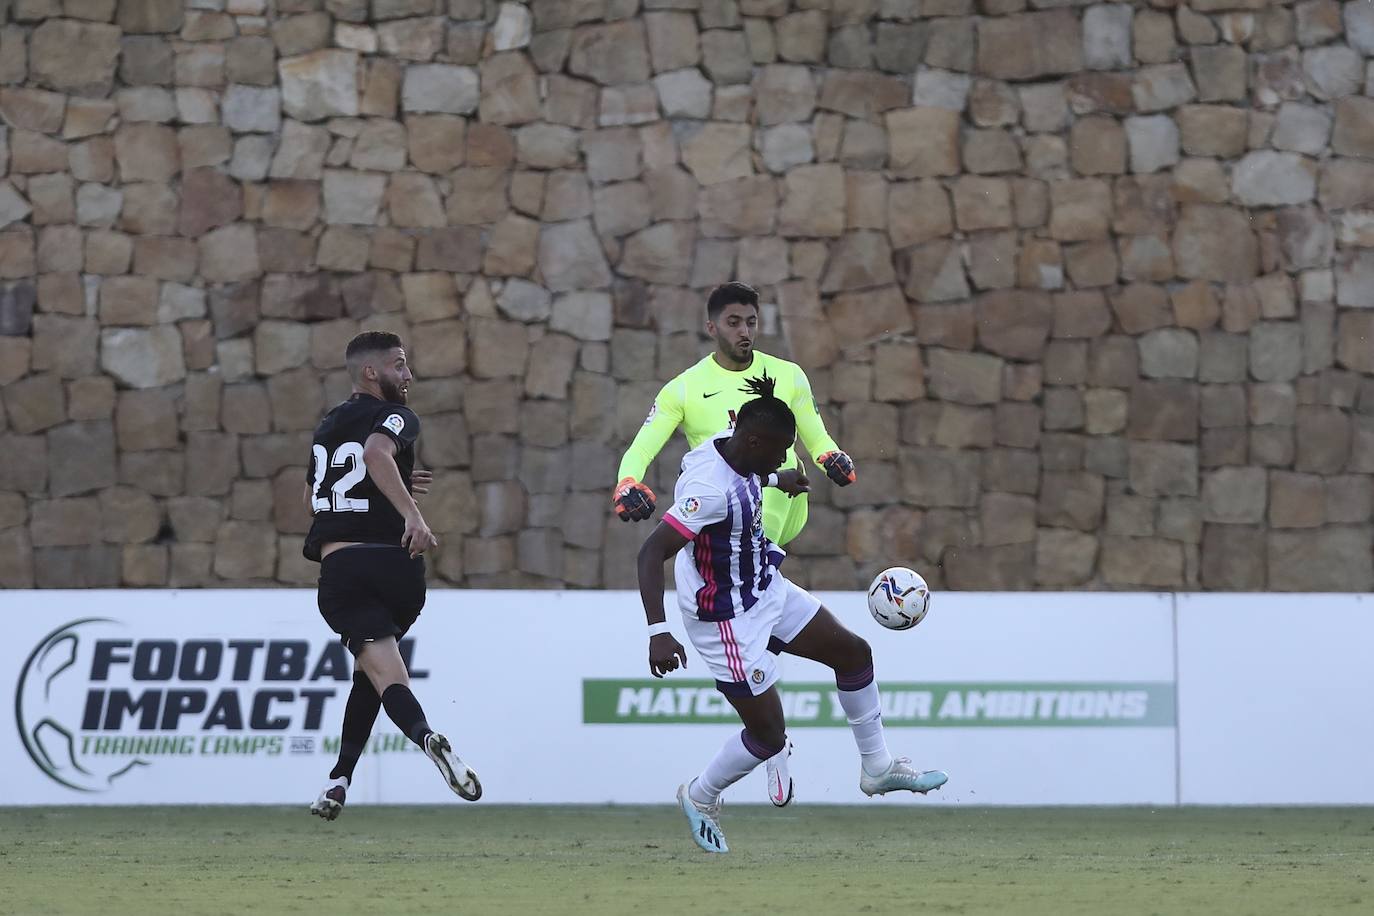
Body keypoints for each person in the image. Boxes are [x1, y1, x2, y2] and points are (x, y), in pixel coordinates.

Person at [636, 376, 947, 854]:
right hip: (726, 620)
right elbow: (651, 551)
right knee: (767, 736)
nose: (785, 458)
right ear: (754, 440)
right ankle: (700, 796)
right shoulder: (708, 487)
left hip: (764, 585)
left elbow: (745, 473)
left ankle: (878, 769)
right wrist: (659, 631)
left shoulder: (735, 449)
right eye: (780, 451)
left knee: (853, 654)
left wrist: (775, 479)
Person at [302, 331, 481, 820]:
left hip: (346, 570)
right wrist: (411, 514)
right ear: (370, 372)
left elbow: (317, 499)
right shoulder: (395, 415)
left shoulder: (327, 425)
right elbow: (377, 456)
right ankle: (340, 779)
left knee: (382, 673)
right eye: (399, 365)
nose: (408, 375)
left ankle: (426, 737)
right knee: (374, 675)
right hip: (398, 569)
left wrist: (401, 499)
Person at [613, 281, 855, 547]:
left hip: (782, 489)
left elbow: (819, 440)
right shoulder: (683, 388)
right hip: (720, 503)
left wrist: (833, 458)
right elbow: (641, 450)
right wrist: (628, 483)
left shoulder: (789, 375)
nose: (744, 332)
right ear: (712, 328)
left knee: (764, 498)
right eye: (733, 323)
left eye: (751, 322)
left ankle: (760, 561)